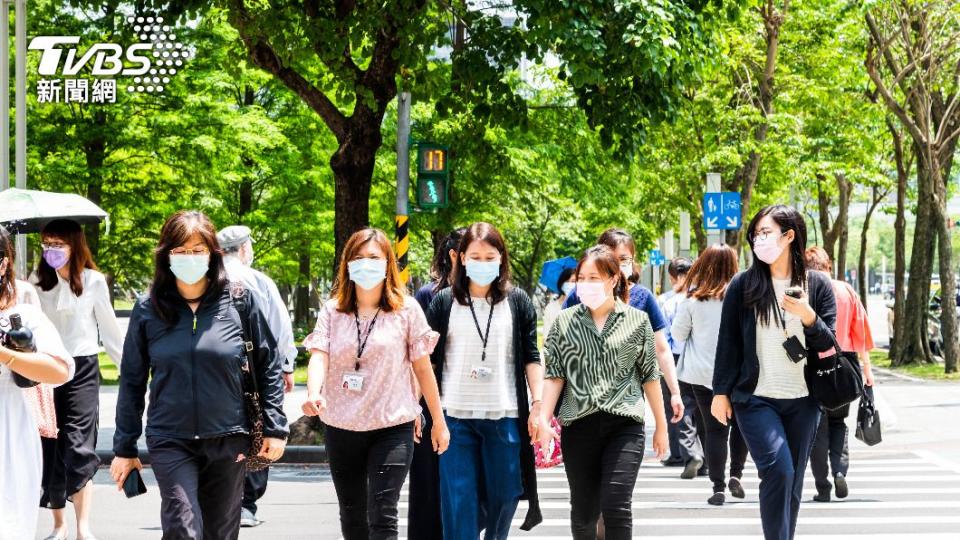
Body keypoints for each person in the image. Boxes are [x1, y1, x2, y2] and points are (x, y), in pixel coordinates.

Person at [111, 210, 288, 539]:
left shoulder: (238, 302)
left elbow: (268, 364)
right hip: (170, 439)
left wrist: (275, 427)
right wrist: (124, 448)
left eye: (198, 250)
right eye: (180, 251)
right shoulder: (148, 308)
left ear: (212, 255)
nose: (189, 258)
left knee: (220, 531)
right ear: (166, 256)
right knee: (182, 527)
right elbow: (132, 381)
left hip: (228, 436)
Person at [300, 228, 449, 540]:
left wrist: (438, 420)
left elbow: (423, 368)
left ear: (388, 264)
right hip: (341, 425)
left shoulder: (407, 310)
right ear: (347, 264)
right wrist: (313, 393)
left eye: (374, 258)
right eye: (358, 257)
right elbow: (319, 356)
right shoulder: (332, 310)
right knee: (353, 516)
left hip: (392, 426)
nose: (365, 264)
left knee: (383, 514)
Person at [712, 205, 837, 540]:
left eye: (765, 232)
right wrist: (720, 392)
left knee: (793, 480)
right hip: (755, 399)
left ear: (789, 236)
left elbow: (830, 345)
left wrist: (810, 319)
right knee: (778, 470)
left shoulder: (820, 286)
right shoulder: (744, 285)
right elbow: (728, 342)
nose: (758, 239)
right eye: (756, 234)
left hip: (805, 400)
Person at [539, 244, 669, 540]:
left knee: (616, 505)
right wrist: (544, 420)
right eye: (581, 278)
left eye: (594, 277)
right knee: (584, 513)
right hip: (578, 424)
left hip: (624, 425)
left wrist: (661, 426)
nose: (585, 284)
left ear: (613, 279)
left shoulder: (637, 321)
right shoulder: (565, 321)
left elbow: (650, 376)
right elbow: (555, 375)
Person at [426, 222, 544, 539]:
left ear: (501, 258)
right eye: (475, 256)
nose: (482, 263)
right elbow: (425, 362)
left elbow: (531, 356)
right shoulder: (444, 303)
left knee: (506, 494)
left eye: (489, 256)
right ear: (461, 258)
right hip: (455, 418)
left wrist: (538, 406)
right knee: (459, 503)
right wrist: (425, 413)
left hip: (504, 415)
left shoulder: (517, 302)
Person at [31, 219, 124, 540]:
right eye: (46, 244)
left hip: (82, 368)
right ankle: (59, 525)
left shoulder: (95, 282)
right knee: (51, 446)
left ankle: (84, 527)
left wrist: (131, 374)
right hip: (46, 369)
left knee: (78, 446)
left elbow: (110, 332)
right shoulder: (35, 282)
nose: (51, 251)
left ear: (75, 245)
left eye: (58, 244)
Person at [217, 225, 299, 528]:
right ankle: (247, 503)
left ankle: (222, 499)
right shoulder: (259, 281)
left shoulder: (208, 279)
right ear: (243, 249)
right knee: (258, 426)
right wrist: (286, 365)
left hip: (219, 371)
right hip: (256, 369)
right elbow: (279, 326)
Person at [563, 229, 684, 429]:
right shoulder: (579, 295)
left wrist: (675, 392)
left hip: (628, 405)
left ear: (632, 260)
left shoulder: (643, 298)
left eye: (623, 259)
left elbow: (661, 350)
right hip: (583, 404)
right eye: (611, 257)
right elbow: (561, 348)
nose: (617, 265)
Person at [0, 226, 74, 540]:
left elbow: (59, 370)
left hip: (9, 432)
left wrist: (4, 353)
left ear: (3, 264)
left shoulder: (21, 316)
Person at [671, 244, 749, 505]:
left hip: (703, 375)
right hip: (739, 373)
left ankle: (718, 486)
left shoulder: (693, 301)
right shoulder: (744, 297)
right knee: (739, 426)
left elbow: (678, 335)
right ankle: (736, 473)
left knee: (715, 431)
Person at [804, 247, 875, 503]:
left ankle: (823, 487)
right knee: (838, 423)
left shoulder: (804, 289)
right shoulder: (846, 291)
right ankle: (839, 470)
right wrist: (867, 370)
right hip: (844, 366)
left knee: (816, 428)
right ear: (828, 266)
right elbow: (861, 334)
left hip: (814, 367)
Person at [410, 226, 465, 540]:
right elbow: (419, 359)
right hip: (432, 403)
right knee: (428, 487)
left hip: (473, 406)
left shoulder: (495, 300)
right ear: (455, 256)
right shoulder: (428, 296)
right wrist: (415, 408)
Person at [656, 257, 704, 477]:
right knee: (702, 407)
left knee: (676, 406)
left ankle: (681, 454)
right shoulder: (704, 298)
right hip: (701, 358)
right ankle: (707, 459)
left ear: (672, 277)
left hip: (674, 359)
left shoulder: (666, 302)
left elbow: (664, 338)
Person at [543, 267, 576, 339]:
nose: (572, 284)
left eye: (575, 282)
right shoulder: (551, 308)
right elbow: (546, 336)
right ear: (562, 283)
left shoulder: (582, 307)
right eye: (569, 281)